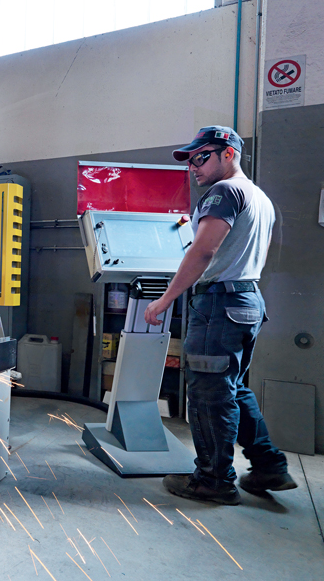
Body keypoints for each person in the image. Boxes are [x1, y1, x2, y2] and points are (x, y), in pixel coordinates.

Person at [143, 125, 296, 505]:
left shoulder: (224, 192)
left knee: (209, 395)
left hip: (219, 305)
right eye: (190, 160)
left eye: (201, 157)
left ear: (228, 154)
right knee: (233, 388)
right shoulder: (257, 196)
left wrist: (165, 300)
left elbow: (203, 252)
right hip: (246, 302)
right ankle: (269, 466)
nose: (193, 166)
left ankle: (213, 479)